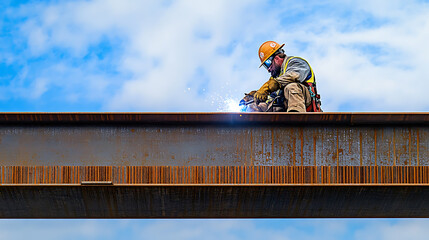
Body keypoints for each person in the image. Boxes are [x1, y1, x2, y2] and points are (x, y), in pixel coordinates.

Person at [249, 41, 322, 112]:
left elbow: (292, 76)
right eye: (265, 66)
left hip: (306, 104)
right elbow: (271, 98)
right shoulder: (276, 77)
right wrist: (254, 98)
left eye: (267, 64)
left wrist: (268, 86)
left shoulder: (296, 62)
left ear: (277, 58)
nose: (268, 69)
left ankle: (296, 116)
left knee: (291, 87)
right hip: (284, 106)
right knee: (257, 105)